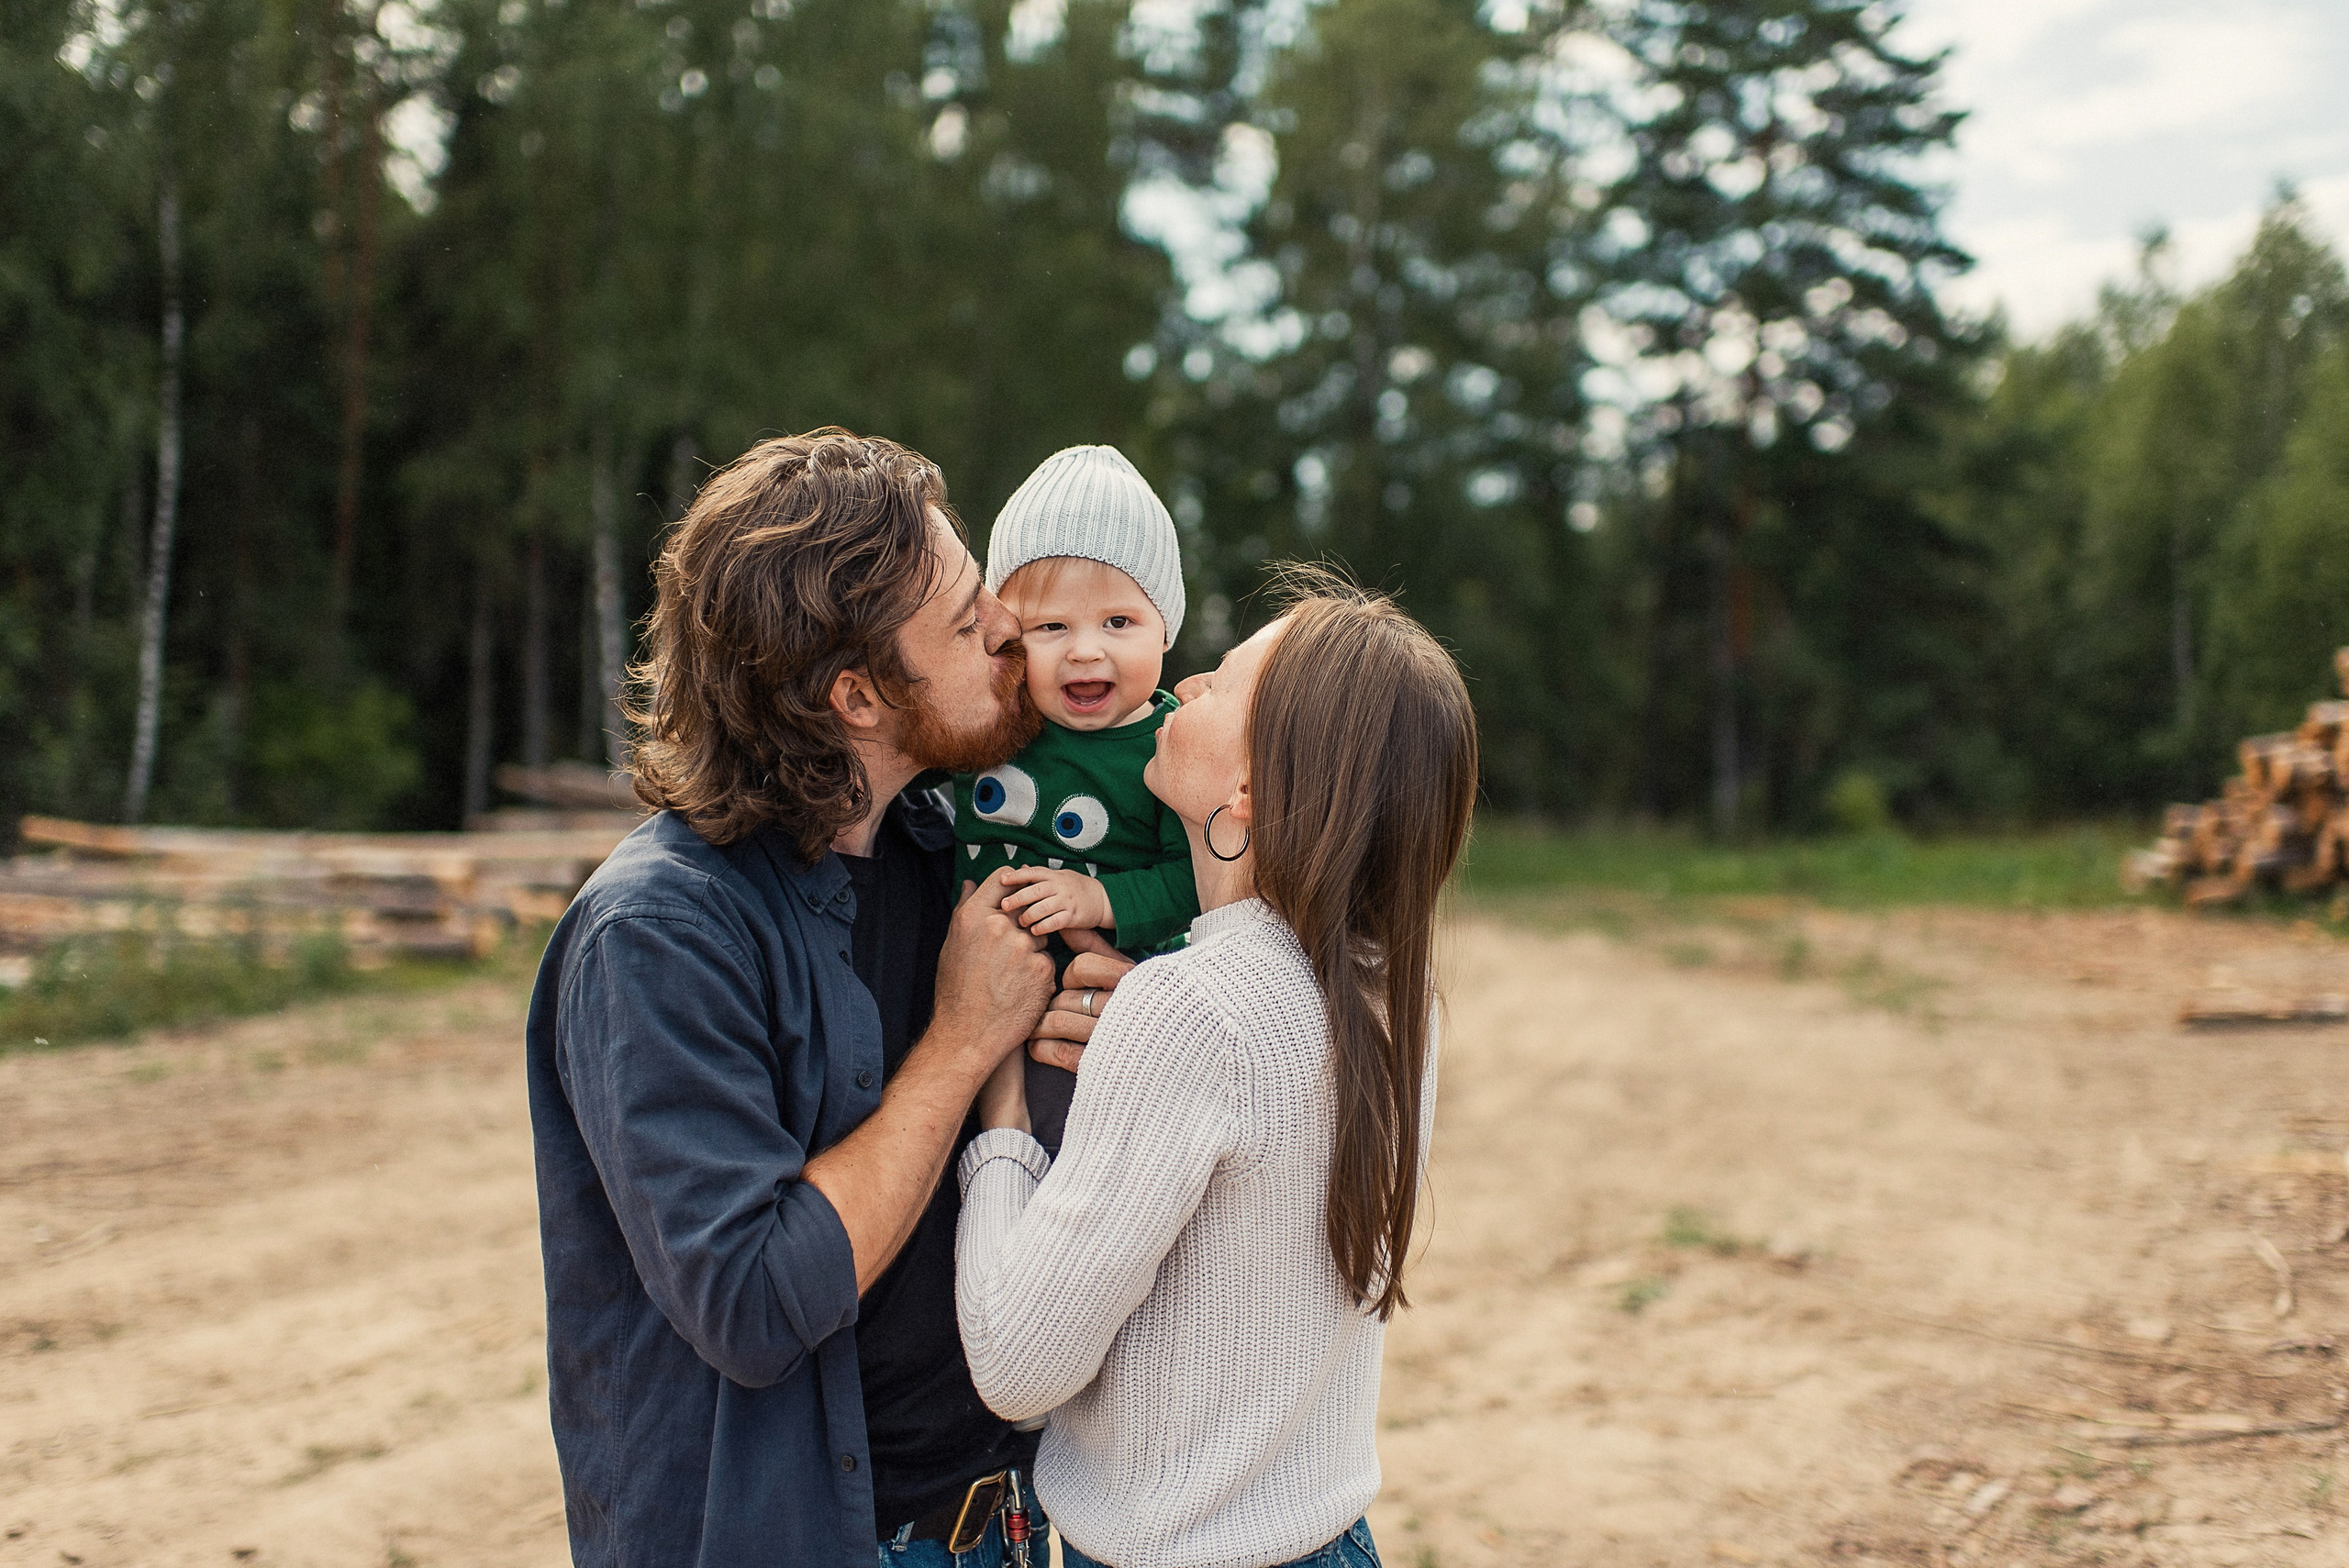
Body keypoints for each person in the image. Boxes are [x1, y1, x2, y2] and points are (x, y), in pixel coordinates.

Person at [525, 429, 1067, 1568]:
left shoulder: (944, 855)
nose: (1009, 632)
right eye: (969, 625)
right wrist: (963, 1040)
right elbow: (758, 1299)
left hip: (1000, 1524)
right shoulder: (657, 934)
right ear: (857, 696)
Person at [952, 573, 1481, 1568]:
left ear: (1248, 787)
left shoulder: (1192, 1010)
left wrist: (999, 1102)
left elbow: (1015, 1366)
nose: (1184, 682)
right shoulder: (1386, 993)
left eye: (1222, 682)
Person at [952, 444, 1198, 1152]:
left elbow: (1194, 880)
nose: (1086, 650)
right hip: (968, 1000)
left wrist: (1101, 901)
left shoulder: (1167, 744)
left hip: (1089, 1022)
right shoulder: (995, 722)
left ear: (1165, 629)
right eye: (1051, 627)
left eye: (1118, 623)